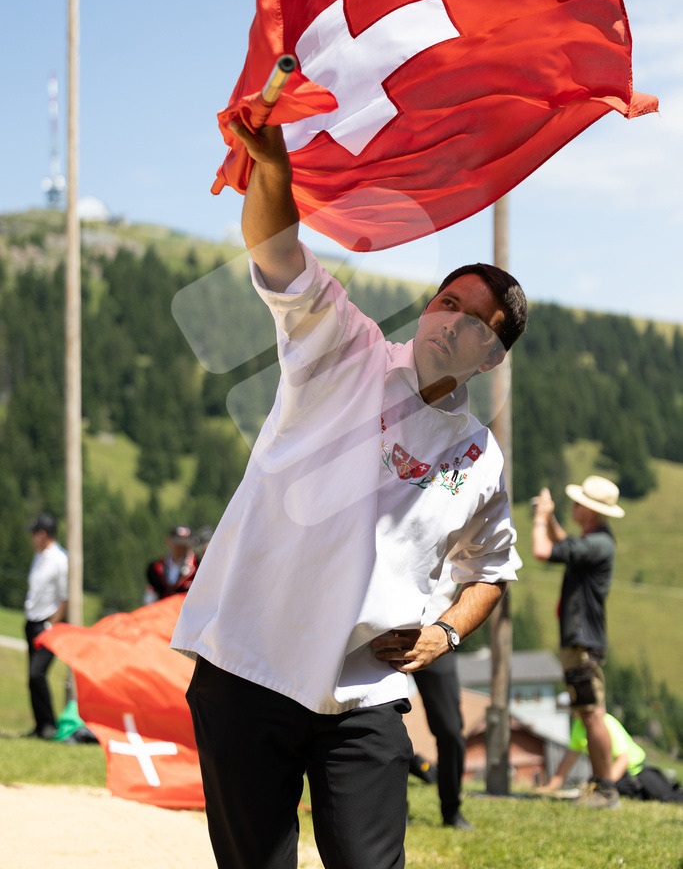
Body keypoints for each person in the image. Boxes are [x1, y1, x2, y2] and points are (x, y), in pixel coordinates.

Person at [172, 122, 528, 869]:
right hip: (248, 668)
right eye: (447, 301)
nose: (452, 320)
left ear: (489, 358)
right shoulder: (346, 350)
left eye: (475, 323)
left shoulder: (480, 457)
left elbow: (491, 572)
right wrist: (271, 168)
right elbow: (276, 254)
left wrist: (446, 634)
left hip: (363, 697)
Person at [532, 475, 624, 809]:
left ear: (591, 510)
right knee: (588, 712)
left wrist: (540, 519)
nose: (574, 506)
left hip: (583, 641)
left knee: (592, 714)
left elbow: (543, 550)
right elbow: (564, 544)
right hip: (581, 640)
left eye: (578, 503)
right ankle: (601, 786)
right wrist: (552, 519)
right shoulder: (593, 541)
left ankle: (605, 788)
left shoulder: (598, 543)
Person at [413, 567, 471, 830]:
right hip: (382, 631)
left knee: (450, 730)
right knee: (384, 726)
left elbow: (486, 574)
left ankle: (452, 811)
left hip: (436, 632)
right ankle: (393, 810)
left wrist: (452, 622)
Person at [539, 712, 683, 804]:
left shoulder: (606, 723)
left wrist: (604, 784)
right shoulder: (578, 726)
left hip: (639, 772)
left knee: (668, 798)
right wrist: (551, 787)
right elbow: (567, 761)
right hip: (618, 779)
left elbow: (623, 759)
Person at [23, 514, 68, 739]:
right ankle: (39, 726)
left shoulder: (60, 559)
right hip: (32, 622)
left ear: (42, 534)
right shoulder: (39, 557)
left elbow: (64, 597)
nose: (31, 538)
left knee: (36, 673)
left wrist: (52, 624)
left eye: (34, 534)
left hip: (47, 625)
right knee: (31, 678)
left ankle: (49, 724)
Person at [145, 525, 198, 603]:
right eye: (178, 542)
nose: (181, 547)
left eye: (184, 543)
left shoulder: (197, 567)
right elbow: (152, 594)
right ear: (169, 541)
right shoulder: (156, 568)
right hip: (163, 611)